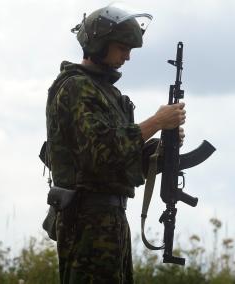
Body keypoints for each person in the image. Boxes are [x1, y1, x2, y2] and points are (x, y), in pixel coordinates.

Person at [45, 3, 186, 283]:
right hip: (87, 221)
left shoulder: (108, 94)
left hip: (109, 219)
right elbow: (101, 152)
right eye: (122, 48)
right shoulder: (76, 87)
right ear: (99, 44)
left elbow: (121, 161)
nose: (128, 57)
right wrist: (155, 122)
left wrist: (159, 147)